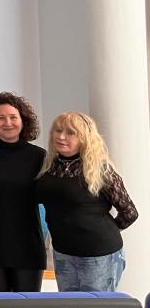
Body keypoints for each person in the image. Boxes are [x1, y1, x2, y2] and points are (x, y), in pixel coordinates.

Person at [36, 112, 137, 292]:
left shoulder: (101, 169)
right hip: (63, 253)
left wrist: (97, 230)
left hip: (98, 255)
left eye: (70, 132)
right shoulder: (49, 166)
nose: (61, 136)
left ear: (84, 138)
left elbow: (129, 213)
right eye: (58, 130)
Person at [0, 93, 46, 292]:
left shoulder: (38, 156)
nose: (8, 123)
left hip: (27, 244)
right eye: (1, 118)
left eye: (13, 117)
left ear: (23, 121)